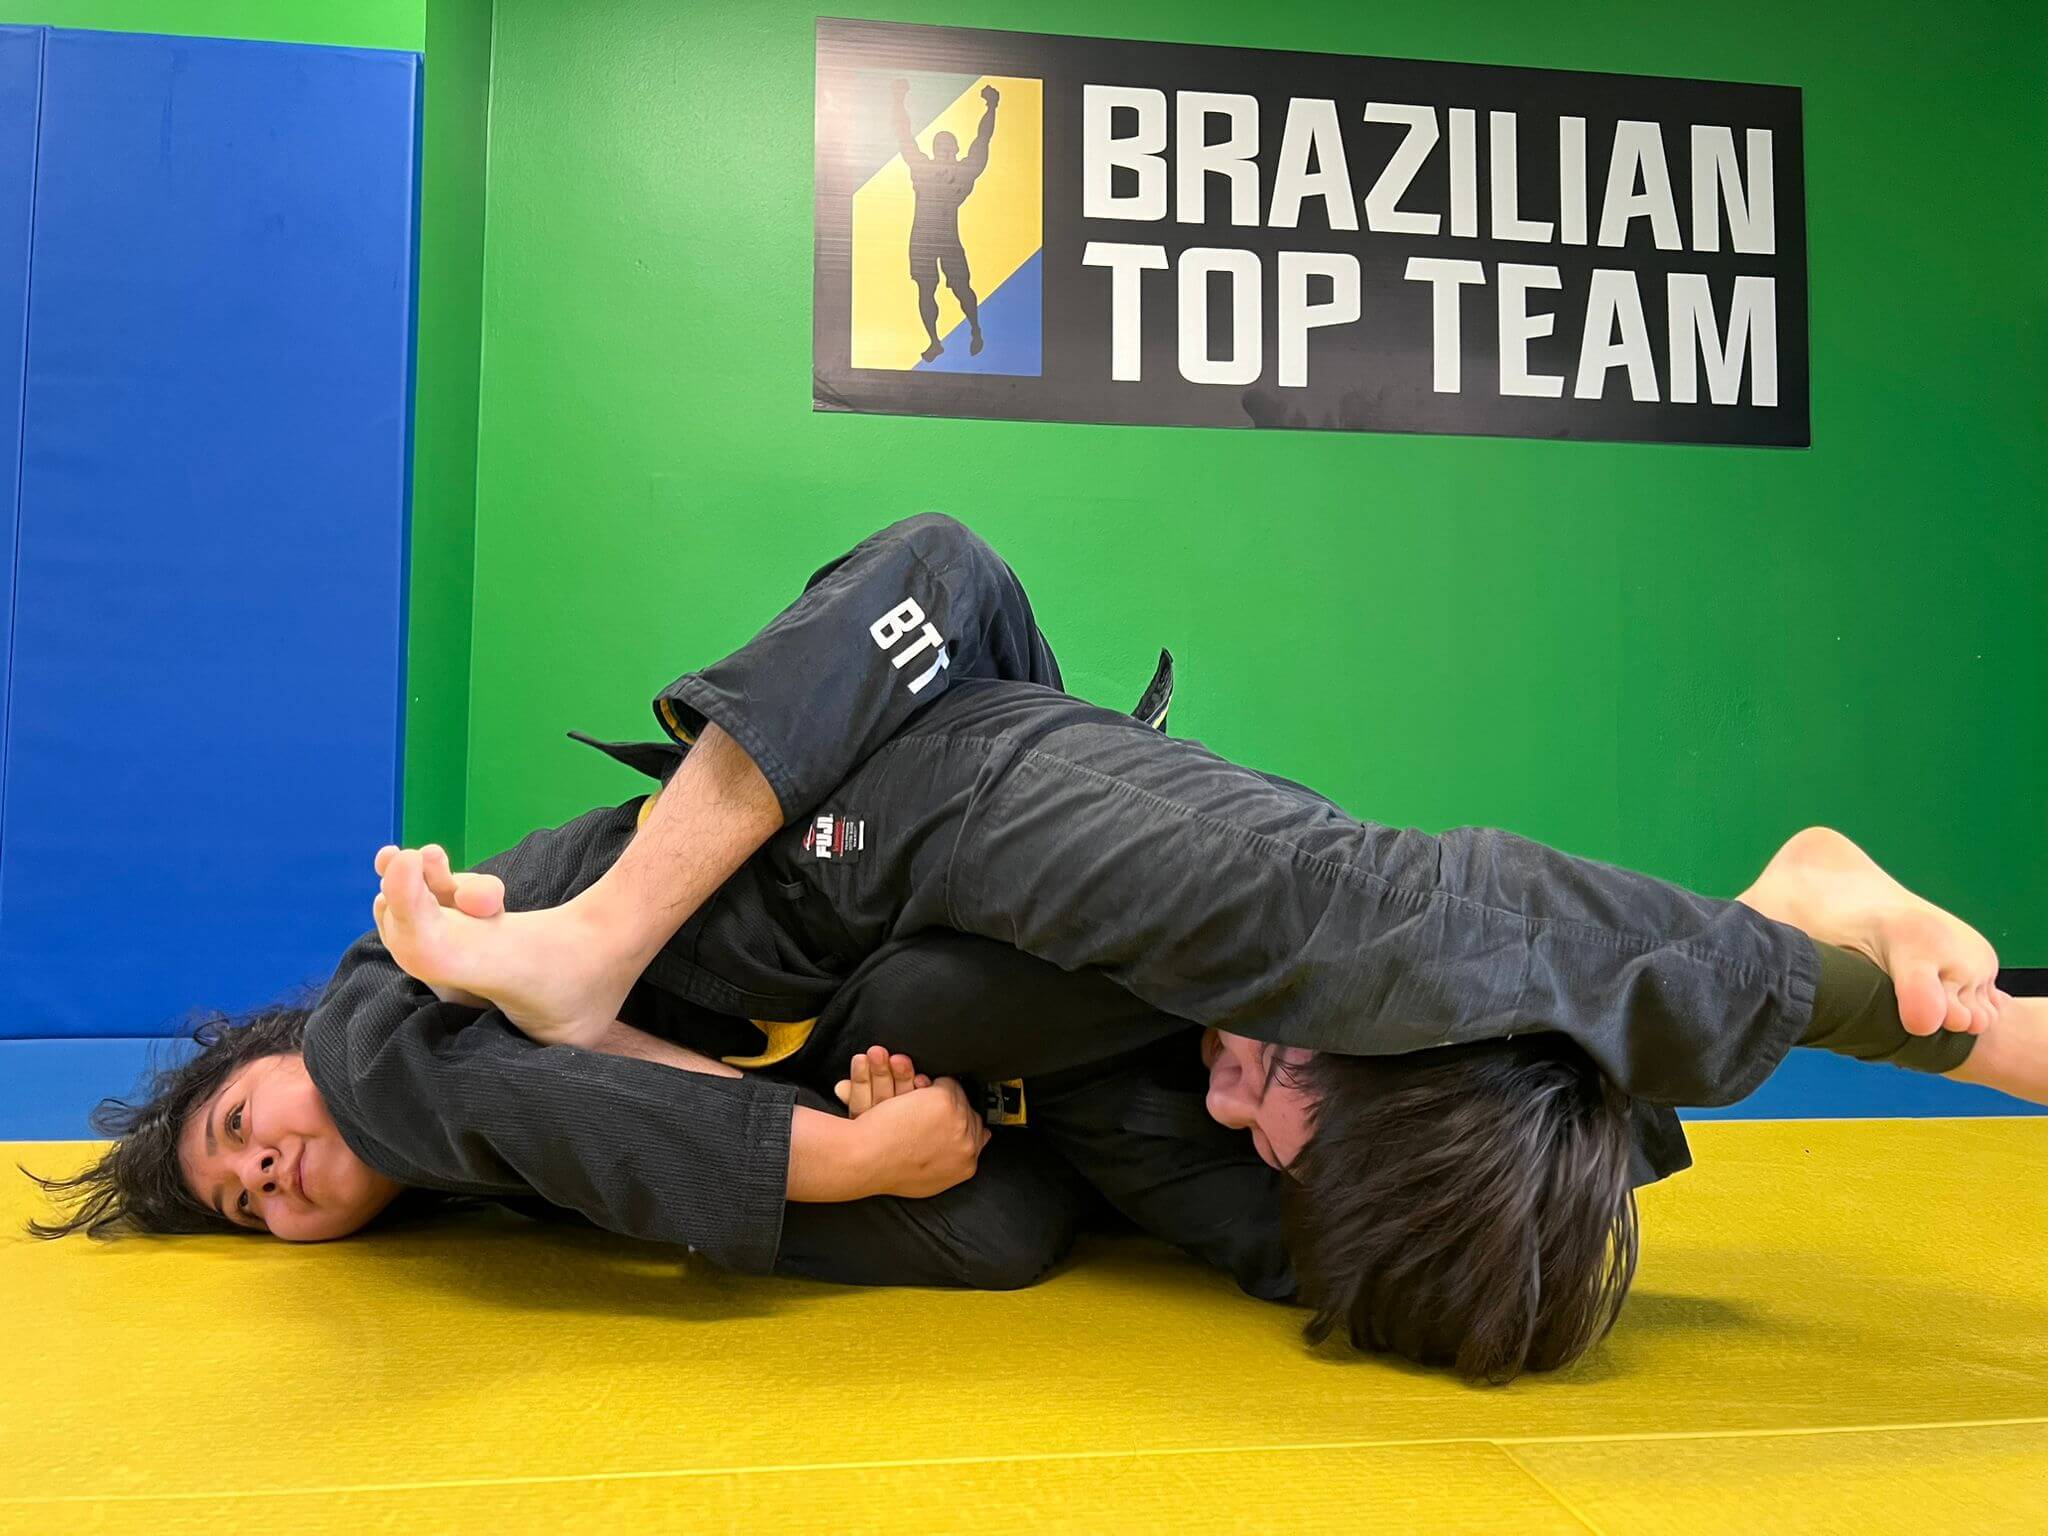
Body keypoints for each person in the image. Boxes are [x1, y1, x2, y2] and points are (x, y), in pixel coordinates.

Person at [27, 516, 2044, 1385]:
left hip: (902, 860)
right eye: (250, 1200)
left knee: (957, 595)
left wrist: (828, 1147)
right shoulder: (434, 1111)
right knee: (1268, 1109)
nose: (269, 1162)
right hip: (931, 927)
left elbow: (1401, 1031)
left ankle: (1798, 946)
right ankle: (1776, 939)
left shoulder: (385, 1014)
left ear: (258, 1048)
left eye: (235, 1132)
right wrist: (849, 1154)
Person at [889, 77, 997, 361]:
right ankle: (934, 341)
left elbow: (982, 140)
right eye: (940, 146)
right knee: (926, 288)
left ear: (956, 151)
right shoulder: (923, 168)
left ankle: (975, 329)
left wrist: (992, 106)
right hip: (922, 237)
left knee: (961, 288)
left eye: (950, 146)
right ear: (935, 151)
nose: (945, 149)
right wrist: (898, 98)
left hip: (948, 238)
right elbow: (903, 135)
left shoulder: (964, 172)